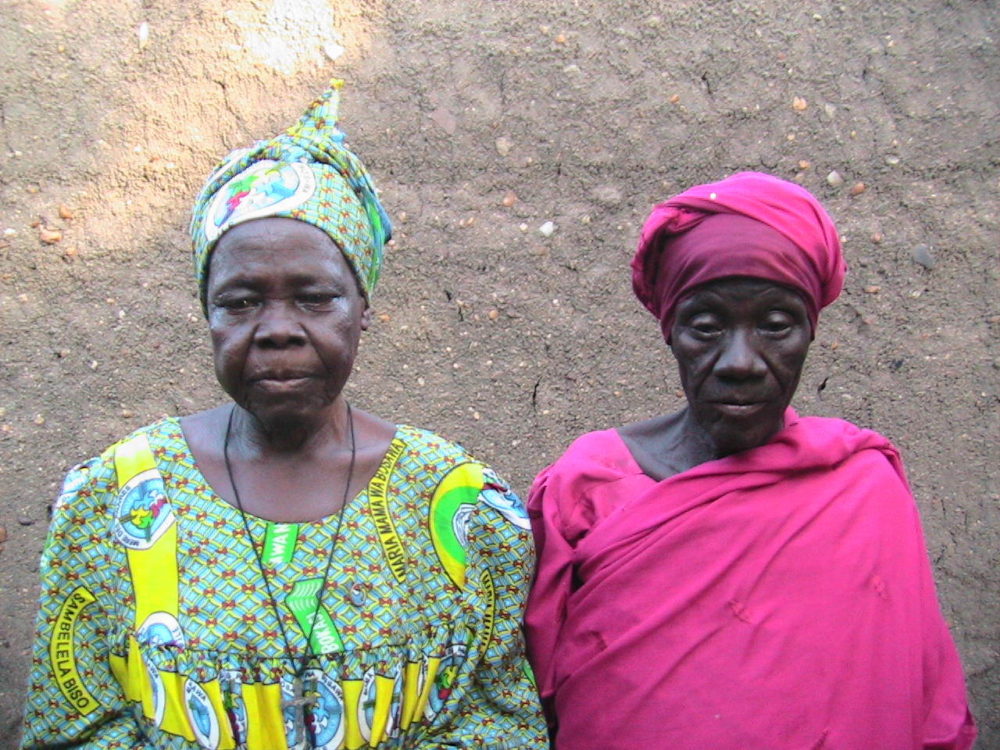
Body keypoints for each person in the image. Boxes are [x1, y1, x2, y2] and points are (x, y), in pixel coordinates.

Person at [20, 81, 547, 749]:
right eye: (240, 302)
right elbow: (74, 724)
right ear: (206, 316)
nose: (276, 330)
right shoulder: (117, 498)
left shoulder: (456, 503)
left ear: (362, 309)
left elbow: (496, 719)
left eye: (314, 297)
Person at [523, 172, 977, 749]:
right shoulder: (589, 484)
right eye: (707, 326)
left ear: (810, 331)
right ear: (671, 333)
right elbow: (526, 694)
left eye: (775, 325)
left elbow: (918, 697)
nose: (740, 361)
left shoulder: (862, 489)